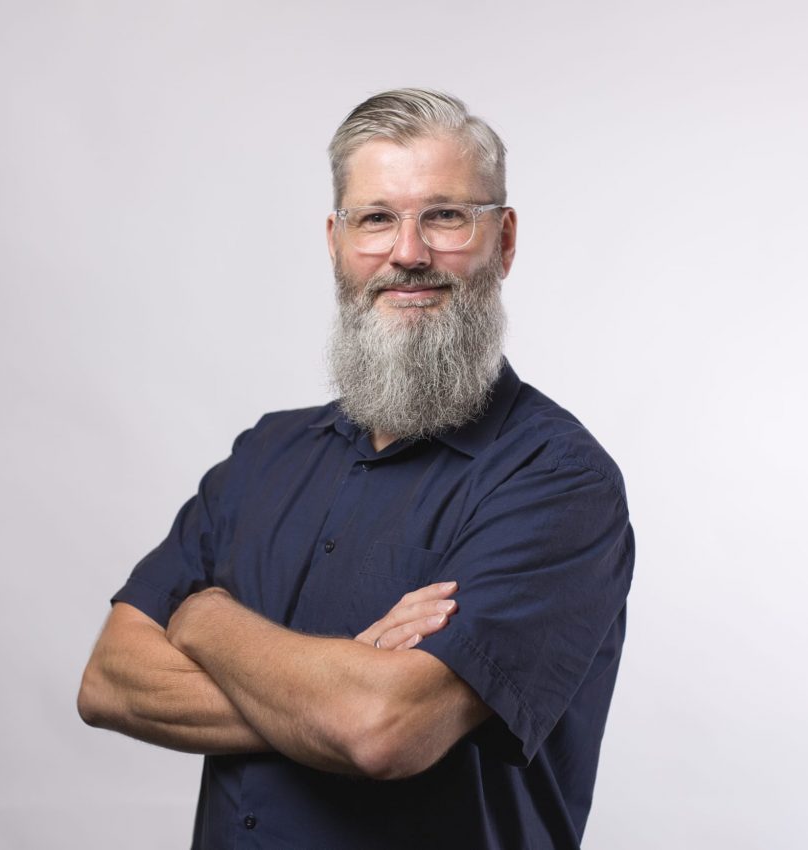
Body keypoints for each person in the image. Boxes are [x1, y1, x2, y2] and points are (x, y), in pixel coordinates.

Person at [78, 88, 634, 850]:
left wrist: (204, 618)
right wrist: (329, 697)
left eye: (445, 216)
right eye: (376, 219)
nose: (408, 253)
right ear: (336, 242)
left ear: (503, 241)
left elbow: (382, 728)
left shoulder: (558, 480)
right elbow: (108, 679)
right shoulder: (264, 455)